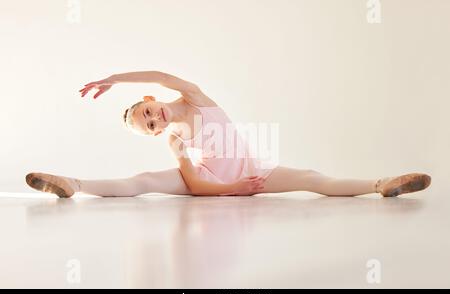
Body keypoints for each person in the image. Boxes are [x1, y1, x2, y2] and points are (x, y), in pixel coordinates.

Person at [25, 71, 431, 198]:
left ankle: (382, 184)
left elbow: (159, 73)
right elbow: (198, 185)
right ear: (156, 132)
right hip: (218, 180)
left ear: (151, 99)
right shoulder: (175, 138)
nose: (154, 119)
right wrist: (234, 187)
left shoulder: (195, 98)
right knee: (144, 182)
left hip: (252, 170)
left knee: (311, 178)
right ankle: (72, 183)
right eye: (150, 125)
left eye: (148, 111)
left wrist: (114, 79)